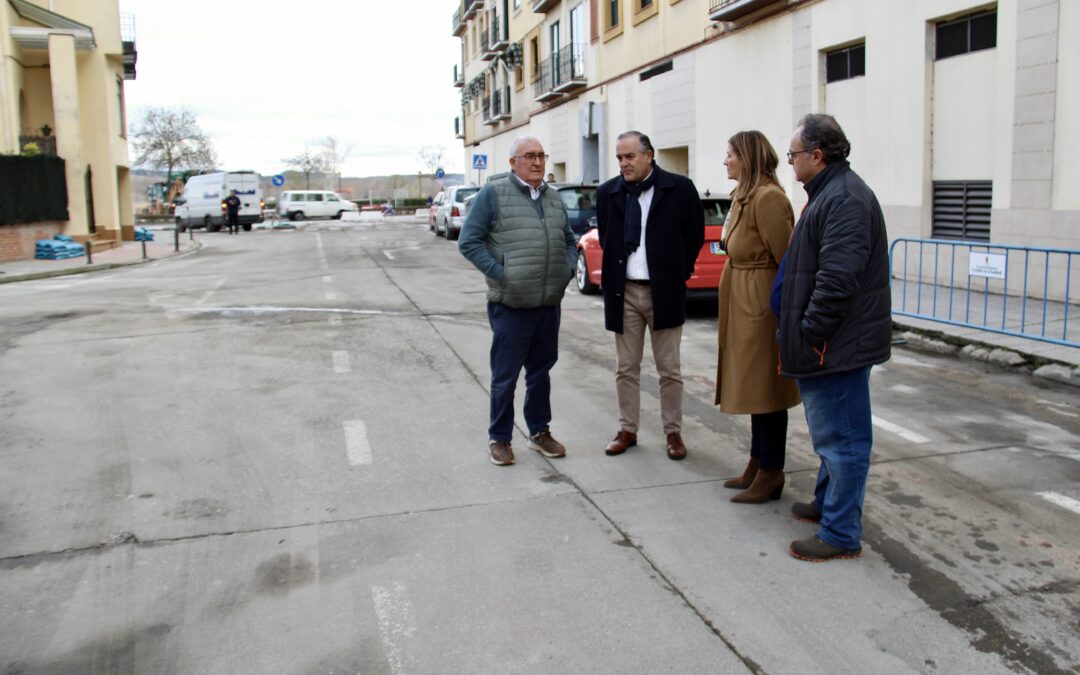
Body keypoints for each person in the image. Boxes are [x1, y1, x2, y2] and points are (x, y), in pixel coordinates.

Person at [778, 114, 891, 562]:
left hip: (835, 346)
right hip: (832, 343)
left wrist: (810, 333)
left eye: (794, 156)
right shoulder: (832, 193)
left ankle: (841, 532)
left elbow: (838, 280)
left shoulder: (843, 199)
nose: (791, 163)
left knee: (844, 441)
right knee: (831, 437)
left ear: (817, 155)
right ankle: (827, 504)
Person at [458, 135, 576, 466]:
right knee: (505, 376)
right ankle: (500, 438)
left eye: (541, 155)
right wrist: (501, 274)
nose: (537, 162)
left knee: (541, 373)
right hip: (510, 304)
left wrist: (566, 269)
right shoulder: (493, 194)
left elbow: (568, 239)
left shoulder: (553, 198)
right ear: (513, 163)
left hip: (548, 303)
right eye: (529, 156)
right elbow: (469, 242)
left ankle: (539, 433)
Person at [596, 131, 704, 460]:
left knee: (669, 368)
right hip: (624, 290)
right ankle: (627, 429)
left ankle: (673, 434)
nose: (624, 163)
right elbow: (606, 238)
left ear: (649, 155)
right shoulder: (608, 193)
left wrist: (676, 272)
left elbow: (694, 235)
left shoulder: (679, 189)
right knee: (626, 368)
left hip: (664, 291)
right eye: (619, 158)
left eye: (629, 156)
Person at [715, 131, 800, 503]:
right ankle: (756, 462)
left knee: (767, 388)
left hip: (761, 301)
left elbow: (789, 260)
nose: (725, 160)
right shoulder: (745, 195)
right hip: (743, 292)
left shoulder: (768, 198)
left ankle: (771, 471)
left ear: (747, 157)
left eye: (730, 154)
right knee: (753, 386)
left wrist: (782, 311)